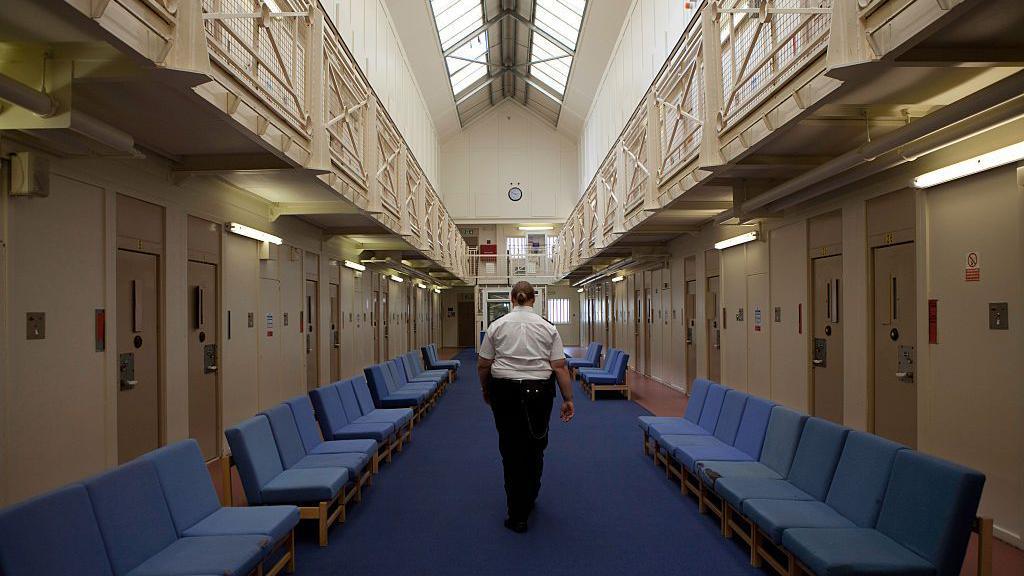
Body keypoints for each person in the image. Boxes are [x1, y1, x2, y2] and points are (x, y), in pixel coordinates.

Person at [477, 281, 575, 533]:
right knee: (535, 446)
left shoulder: (496, 326)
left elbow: (483, 364)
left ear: (512, 299)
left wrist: (486, 389)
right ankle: (530, 497)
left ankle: (516, 514)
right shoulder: (547, 327)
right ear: (534, 299)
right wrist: (568, 398)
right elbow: (560, 367)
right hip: (539, 394)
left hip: (505, 393)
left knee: (510, 450)